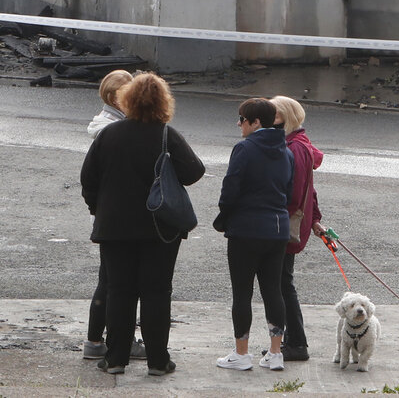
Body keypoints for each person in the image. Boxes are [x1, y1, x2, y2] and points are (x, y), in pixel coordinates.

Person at [79, 72, 204, 376]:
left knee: (119, 290)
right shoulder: (166, 135)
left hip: (114, 228)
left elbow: (88, 180)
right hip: (159, 228)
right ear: (164, 102)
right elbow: (194, 172)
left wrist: (99, 208)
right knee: (157, 292)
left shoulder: (109, 134)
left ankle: (116, 358)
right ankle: (158, 361)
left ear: (127, 99)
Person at [215, 97, 294, 372]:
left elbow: (230, 189)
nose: (239, 124)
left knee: (242, 292)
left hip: (246, 228)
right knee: (273, 290)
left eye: (242, 119)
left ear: (255, 122)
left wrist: (224, 217)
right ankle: (275, 353)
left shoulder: (245, 149)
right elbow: (290, 189)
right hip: (277, 228)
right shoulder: (287, 151)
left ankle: (242, 353)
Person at [82, 69, 138, 361]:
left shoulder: (104, 127)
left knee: (110, 278)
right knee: (118, 281)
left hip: (107, 215)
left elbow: (89, 181)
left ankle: (97, 340)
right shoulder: (113, 132)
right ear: (118, 98)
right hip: (118, 216)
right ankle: (114, 341)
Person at [271, 95, 322, 364]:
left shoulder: (294, 148)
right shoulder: (298, 144)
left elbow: (297, 191)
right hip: (293, 222)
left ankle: (296, 343)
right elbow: (308, 189)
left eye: (273, 113)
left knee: (283, 284)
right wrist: (315, 219)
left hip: (284, 224)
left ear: (283, 117)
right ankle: (292, 341)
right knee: (282, 283)